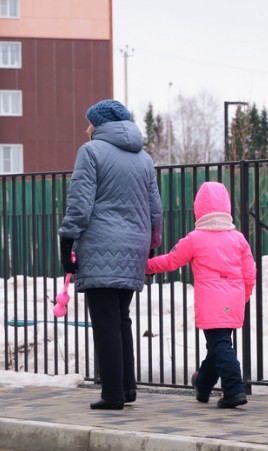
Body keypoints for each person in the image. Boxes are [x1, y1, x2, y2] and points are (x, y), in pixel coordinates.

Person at [58, 99, 163, 410]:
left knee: (104, 320)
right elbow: (155, 209)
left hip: (101, 243)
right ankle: (126, 389)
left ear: (101, 124)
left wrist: (67, 241)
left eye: (90, 122)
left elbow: (80, 202)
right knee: (121, 320)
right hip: (134, 245)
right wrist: (152, 243)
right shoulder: (144, 158)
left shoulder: (90, 152)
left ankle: (113, 394)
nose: (86, 128)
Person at [146, 181, 256, 408]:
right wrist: (243, 297)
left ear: (199, 209)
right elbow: (250, 272)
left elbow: (171, 260)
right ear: (226, 206)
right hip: (234, 300)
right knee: (219, 344)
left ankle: (234, 389)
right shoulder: (238, 239)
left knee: (221, 345)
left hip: (211, 302)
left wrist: (146, 266)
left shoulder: (195, 239)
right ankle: (203, 384)